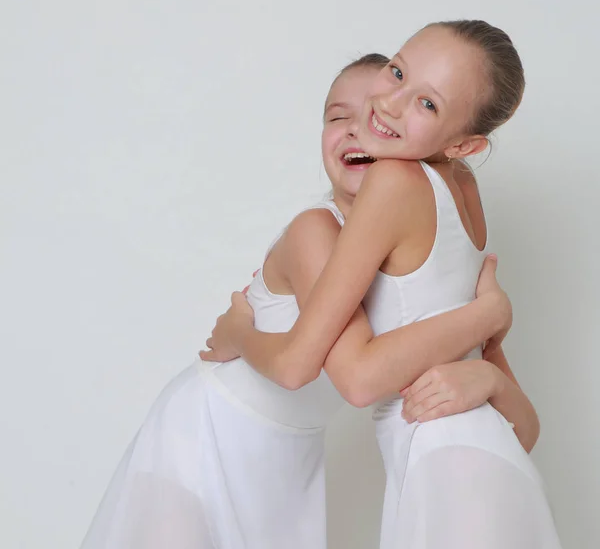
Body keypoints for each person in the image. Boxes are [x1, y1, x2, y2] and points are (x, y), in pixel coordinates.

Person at [80, 50, 515, 549]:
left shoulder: (404, 230)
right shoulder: (317, 230)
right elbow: (297, 369)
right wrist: (239, 335)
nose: (355, 130)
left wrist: (487, 332)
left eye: (369, 118)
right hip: (206, 433)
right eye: (337, 118)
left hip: (287, 448)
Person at [206, 20, 562, 548]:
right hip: (490, 464)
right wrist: (488, 365)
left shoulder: (394, 182)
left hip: (445, 473)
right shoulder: (461, 192)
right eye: (397, 72)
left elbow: (352, 379)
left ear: (465, 143)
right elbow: (525, 431)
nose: (391, 103)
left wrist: (238, 332)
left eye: (427, 104)